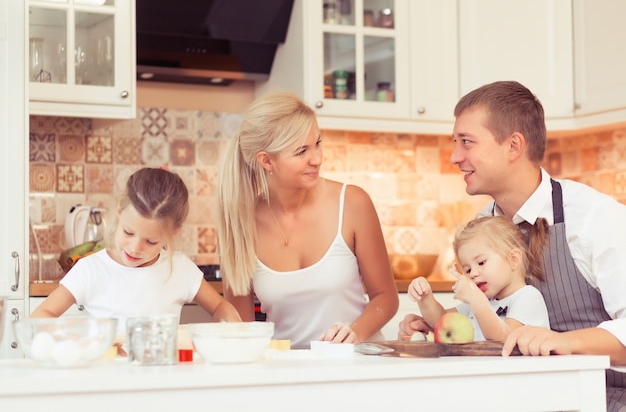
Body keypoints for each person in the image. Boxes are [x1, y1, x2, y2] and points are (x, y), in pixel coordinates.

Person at [398, 80, 626, 411]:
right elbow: (483, 322)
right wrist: (442, 322)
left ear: (514, 146)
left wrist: (562, 342)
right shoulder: (481, 227)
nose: (454, 156)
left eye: (467, 142)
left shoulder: (596, 218)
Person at [216, 91, 399, 349]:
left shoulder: (353, 203)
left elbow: (386, 297)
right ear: (267, 160)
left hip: (353, 365)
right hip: (285, 374)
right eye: (301, 151)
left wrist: (355, 332)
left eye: (318, 143)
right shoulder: (241, 223)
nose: (317, 159)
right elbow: (241, 327)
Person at [32, 167, 242, 333]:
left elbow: (220, 308)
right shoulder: (91, 270)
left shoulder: (179, 269)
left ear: (174, 232)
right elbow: (41, 315)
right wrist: (79, 340)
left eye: (151, 241)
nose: (135, 248)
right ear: (119, 212)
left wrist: (231, 329)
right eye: (128, 232)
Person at [408, 215, 549, 342]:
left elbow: (507, 339)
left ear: (513, 259)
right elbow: (440, 320)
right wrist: (425, 296)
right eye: (467, 269)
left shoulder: (528, 298)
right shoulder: (482, 301)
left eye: (481, 262)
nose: (473, 274)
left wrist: (477, 301)